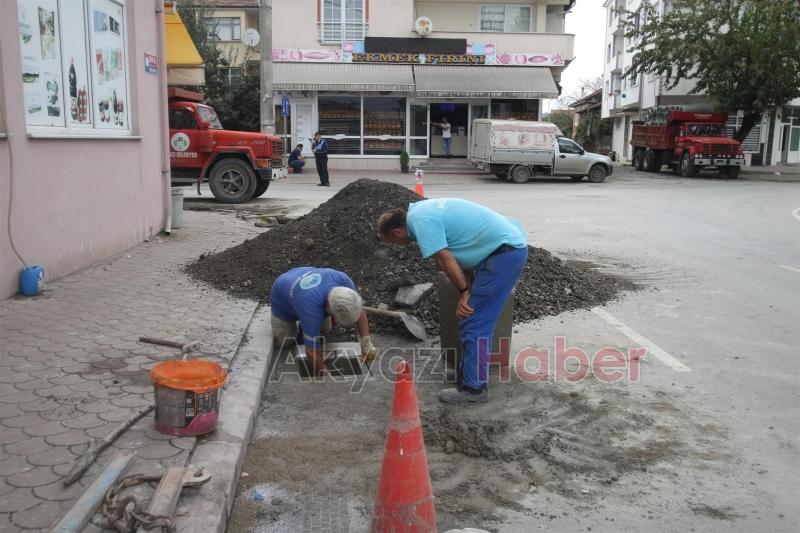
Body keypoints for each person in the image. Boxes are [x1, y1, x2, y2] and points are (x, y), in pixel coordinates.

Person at [377, 199, 528, 404]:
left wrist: (465, 291)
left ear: (397, 233)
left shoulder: (420, 220)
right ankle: (467, 374)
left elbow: (443, 258)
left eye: (393, 242)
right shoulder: (422, 211)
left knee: (475, 322)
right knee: (471, 319)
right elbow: (460, 256)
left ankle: (475, 389)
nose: (398, 245)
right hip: (501, 251)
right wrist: (467, 289)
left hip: (503, 255)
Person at [270, 267, 378, 376]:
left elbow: (358, 308)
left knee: (325, 329)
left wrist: (366, 343)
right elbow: (311, 351)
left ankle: (308, 328)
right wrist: (325, 373)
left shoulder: (343, 280)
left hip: (302, 281)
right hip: (283, 299)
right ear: (329, 308)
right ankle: (303, 326)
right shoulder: (311, 309)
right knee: (284, 342)